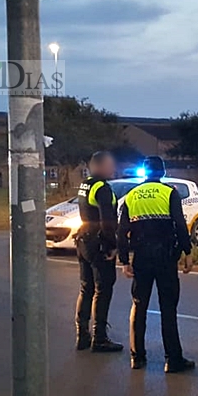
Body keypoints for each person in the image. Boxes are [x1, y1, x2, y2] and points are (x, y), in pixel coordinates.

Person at [117, 156, 196, 373]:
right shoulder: (169, 193)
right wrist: (187, 252)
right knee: (168, 308)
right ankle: (173, 359)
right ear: (162, 172)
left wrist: (124, 260)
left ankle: (137, 357)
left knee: (139, 305)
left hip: (141, 257)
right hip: (166, 257)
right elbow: (180, 225)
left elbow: (122, 231)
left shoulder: (131, 196)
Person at [73, 151, 123, 353]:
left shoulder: (86, 184)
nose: (113, 169)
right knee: (103, 290)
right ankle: (100, 338)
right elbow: (108, 221)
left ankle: (82, 334)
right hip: (98, 244)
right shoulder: (102, 188)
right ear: (99, 166)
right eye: (111, 165)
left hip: (83, 240)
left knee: (86, 288)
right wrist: (113, 246)